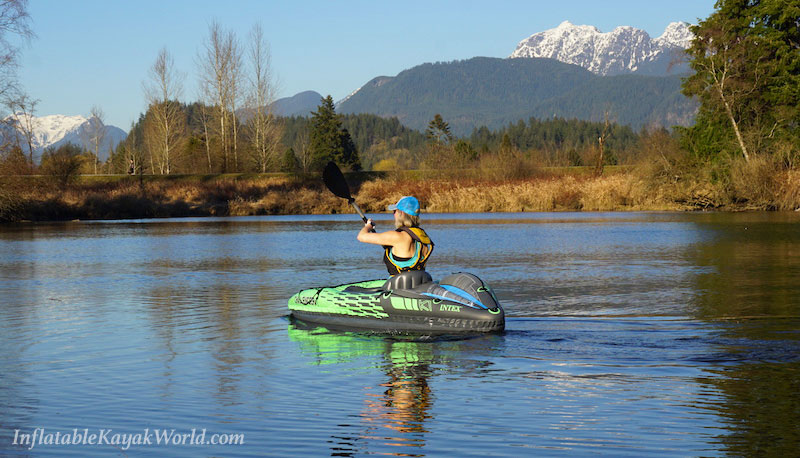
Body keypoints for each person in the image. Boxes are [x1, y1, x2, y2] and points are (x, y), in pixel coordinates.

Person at [357, 196, 434, 276]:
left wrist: (368, 226)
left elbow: (361, 236)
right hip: (419, 282)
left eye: (394, 211)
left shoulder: (397, 236)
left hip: (399, 286)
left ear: (401, 213)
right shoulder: (423, 237)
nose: (393, 214)